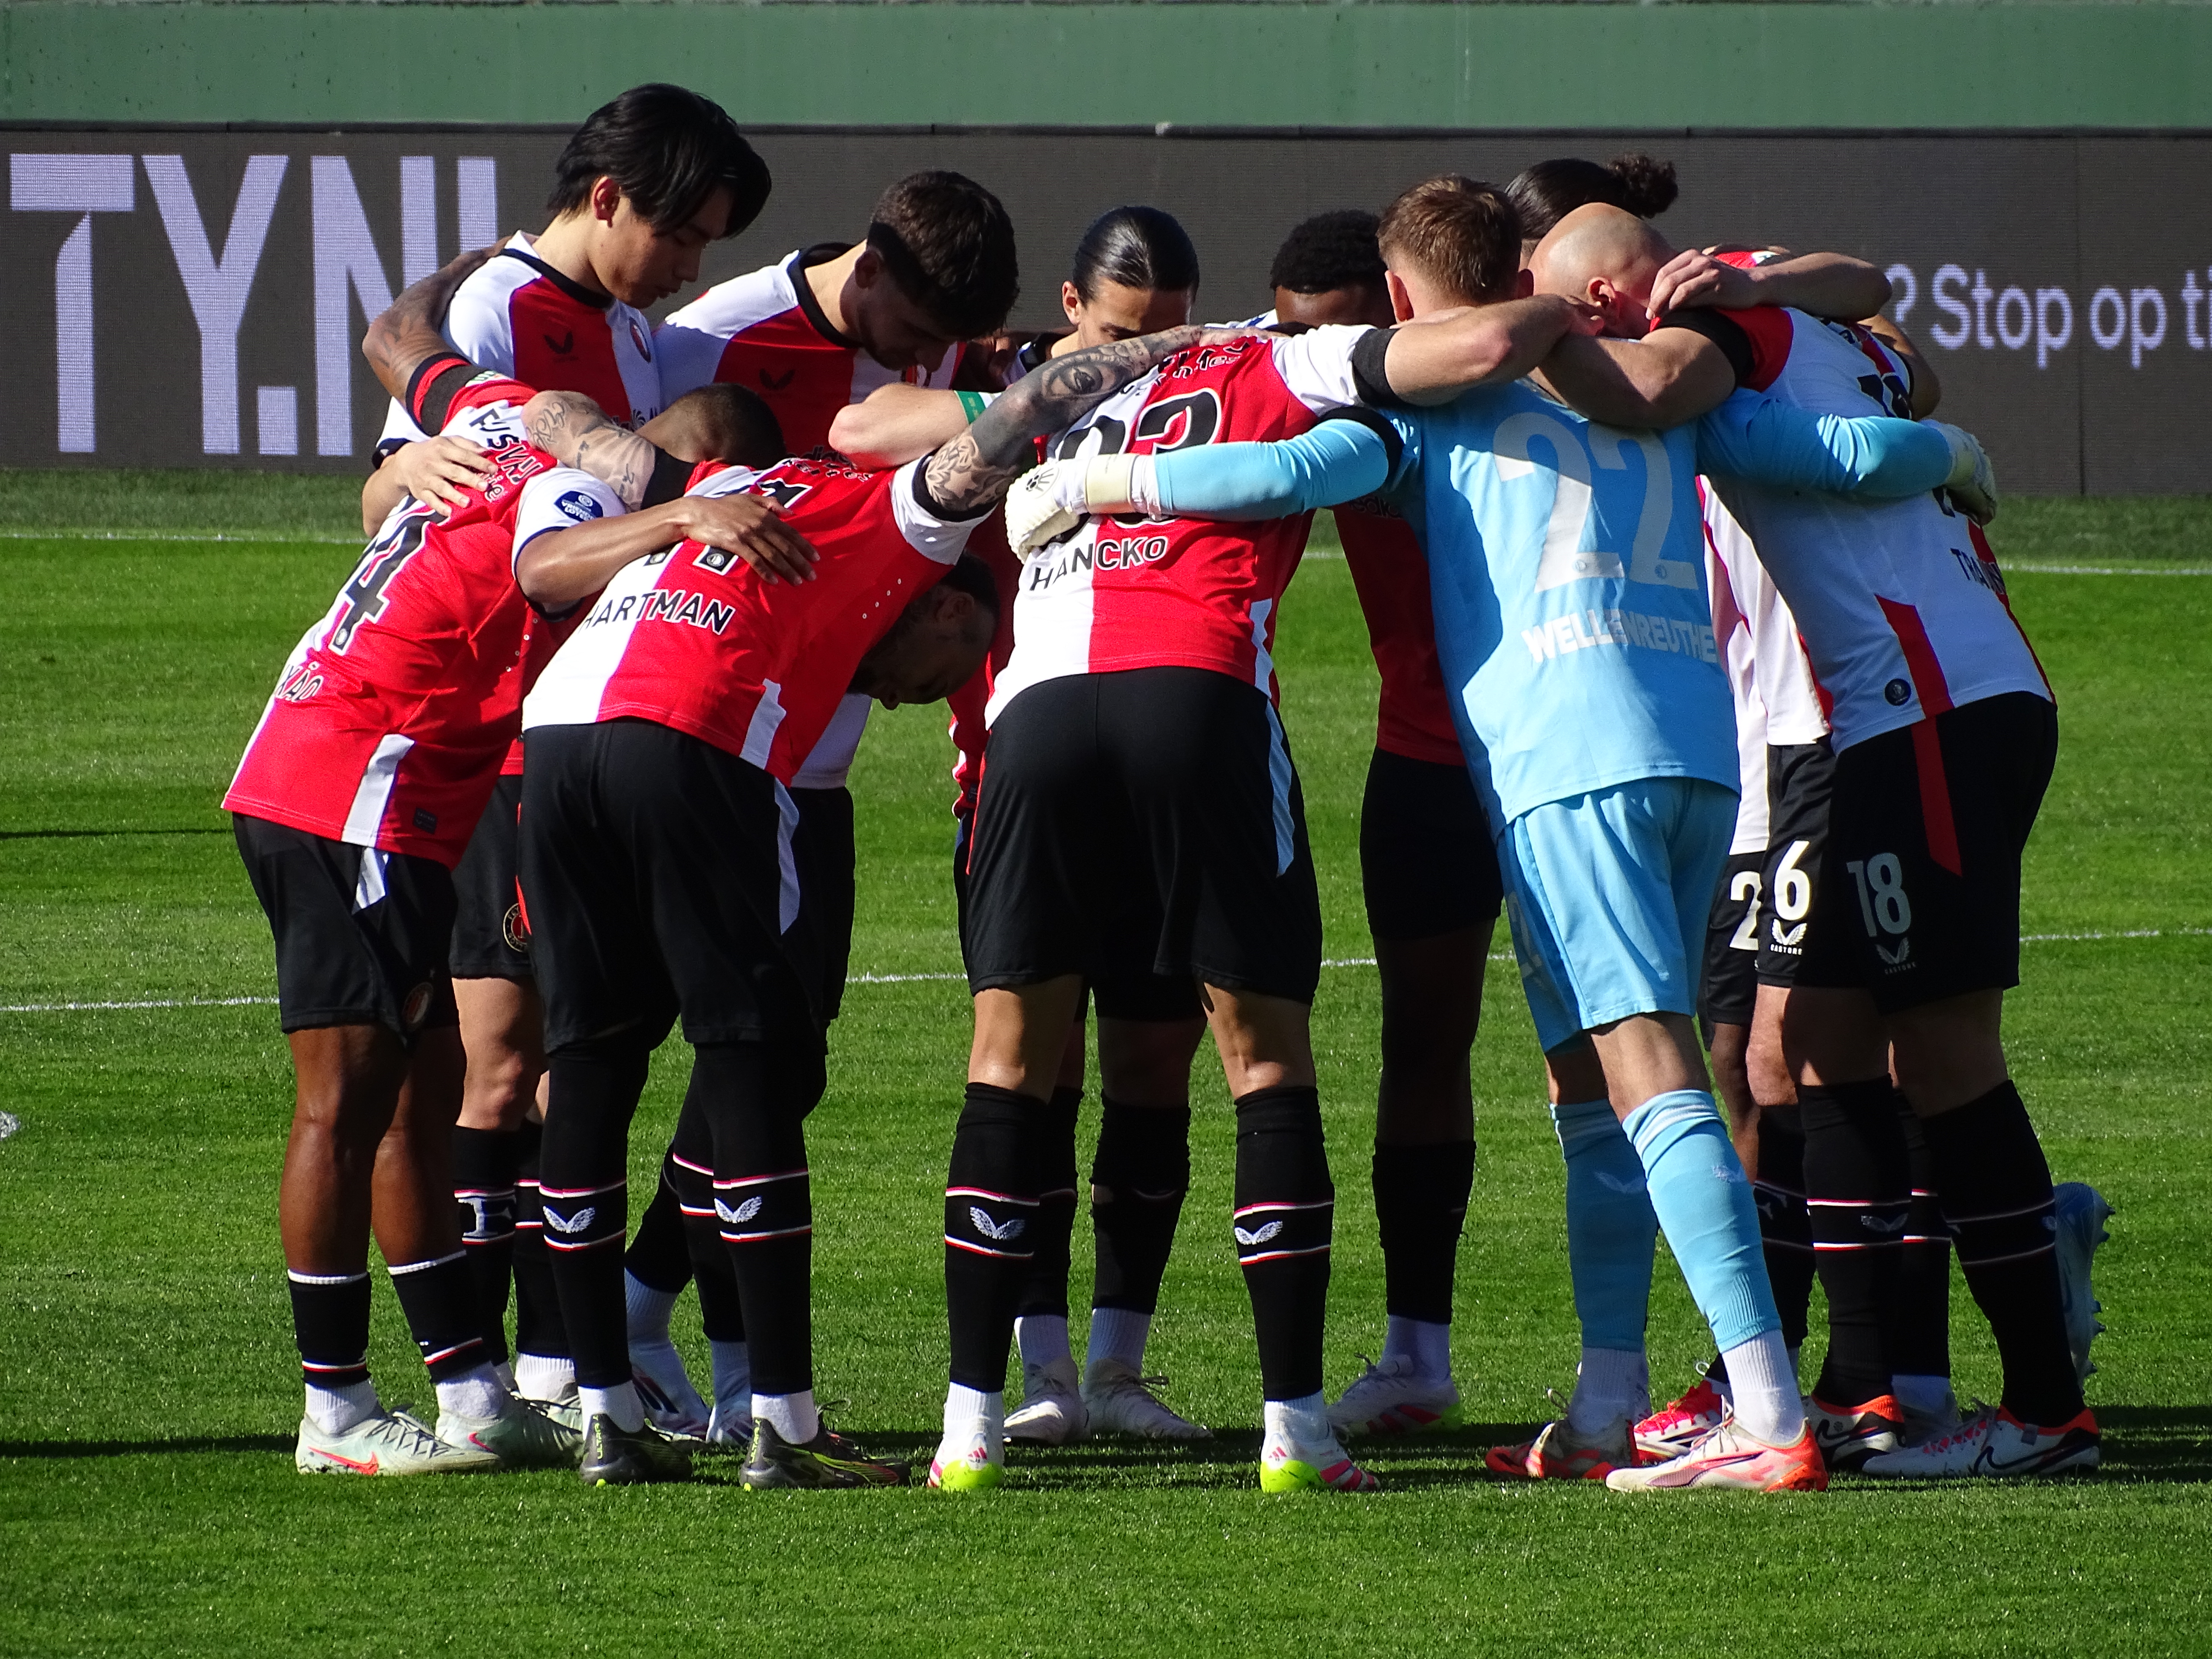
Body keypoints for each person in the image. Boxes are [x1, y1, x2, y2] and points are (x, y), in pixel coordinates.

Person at [1002, 178, 1996, 1493]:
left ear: (1407, 301)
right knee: (1592, 1096)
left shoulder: (1437, 404)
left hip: (1562, 758)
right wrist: (1961, 457)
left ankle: (1765, 1408)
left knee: (1647, 1073)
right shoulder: (1662, 384)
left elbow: (1281, 472)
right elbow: (1851, 456)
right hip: (1699, 753)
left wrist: (1099, 481)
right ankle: (1606, 1398)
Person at [512, 320, 1238, 1487]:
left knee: (589, 1064)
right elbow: (1022, 415)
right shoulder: (892, 518)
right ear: (952, 607)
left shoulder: (714, 485)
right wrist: (1187, 345)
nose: (914, 704)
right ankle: (785, 1427)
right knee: (751, 1059)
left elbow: (558, 415)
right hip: (686, 732)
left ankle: (603, 1411)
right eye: (950, 672)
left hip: (557, 736)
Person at [1535, 210, 2109, 1477]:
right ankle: (1876, 1392)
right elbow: (1879, 299)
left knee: (1944, 1054)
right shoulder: (1825, 329)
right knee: (1819, 1044)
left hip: (1930, 711)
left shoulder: (1715, 333)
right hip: (1908, 717)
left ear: (1610, 301)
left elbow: (1636, 394)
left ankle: (2045, 1407)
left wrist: (1510, 343)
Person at [225, 247, 807, 1479]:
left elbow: (398, 330)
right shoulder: (596, 505)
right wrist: (687, 515)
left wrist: (478, 264)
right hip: (355, 782)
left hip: (380, 781)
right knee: (347, 1103)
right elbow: (547, 567)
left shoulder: (497, 415)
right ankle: (332, 1411)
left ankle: (471, 1389)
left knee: (422, 1095)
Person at [347, 84, 772, 1423]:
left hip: (574, 715)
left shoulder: (634, 337)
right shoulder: (497, 311)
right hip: (487, 723)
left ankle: (556, 1359)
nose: (694, 265)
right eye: (683, 234)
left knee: (569, 1046)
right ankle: (495, 1366)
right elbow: (391, 499)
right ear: (606, 200)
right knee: (504, 1055)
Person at [616, 169, 1025, 1443]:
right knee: (686, 1053)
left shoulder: (956, 351)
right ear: (874, 263)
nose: (923, 358)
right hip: (699, 742)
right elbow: (616, 498)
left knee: (779, 1066)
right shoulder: (718, 338)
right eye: (911, 332)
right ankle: (619, 1342)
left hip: (819, 763)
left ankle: (688, 1347)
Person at [830, 207, 1220, 1449]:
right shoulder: (1014, 397)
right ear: (1069, 309)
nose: (1148, 352)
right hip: (1017, 789)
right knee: (1034, 1073)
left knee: (1156, 1071)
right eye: (1121, 332)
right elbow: (861, 429)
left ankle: (1120, 1366)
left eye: (1165, 332)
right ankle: (1037, 1366)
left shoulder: (1223, 390)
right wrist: (1062, 385)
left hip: (1162, 779)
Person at [1255, 208, 1503, 1440]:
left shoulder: (1522, 371)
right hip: (1423, 762)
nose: (1318, 359)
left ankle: (1658, 1371)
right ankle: (1419, 1353)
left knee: (1633, 1059)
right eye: (1299, 336)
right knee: (1423, 1048)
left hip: (1565, 750)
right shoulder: (1308, 383)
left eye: (1338, 331)